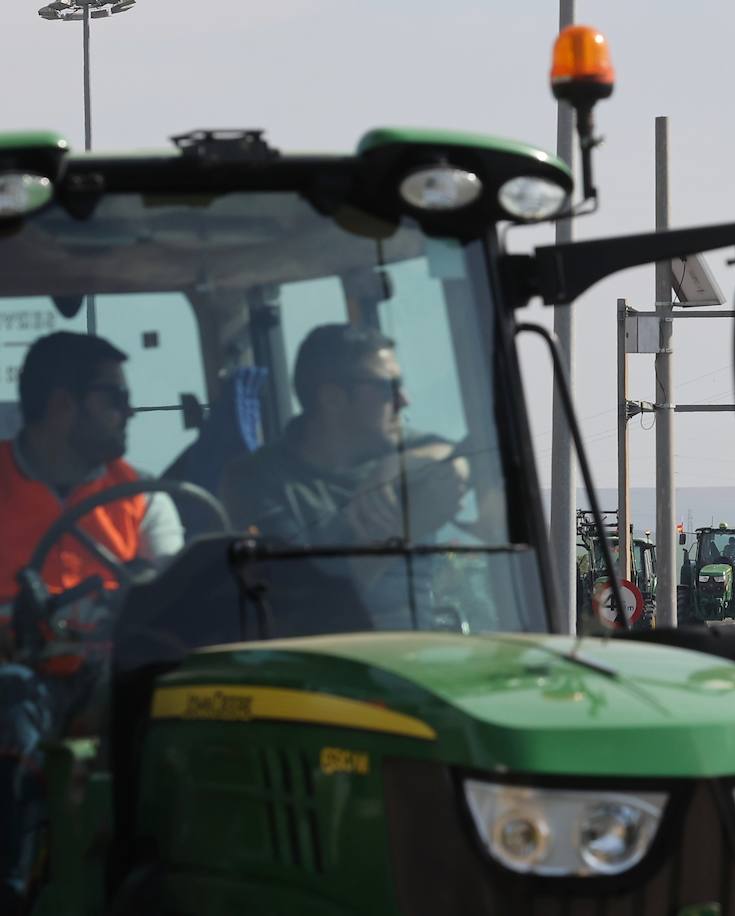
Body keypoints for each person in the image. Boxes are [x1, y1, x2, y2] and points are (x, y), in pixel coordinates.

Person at [0, 332, 184, 912]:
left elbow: (175, 588)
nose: (129, 413)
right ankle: (18, 880)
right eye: (115, 399)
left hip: (113, 676)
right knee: (12, 699)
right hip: (17, 677)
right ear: (62, 406)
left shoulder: (144, 497)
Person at [221, 325, 471, 626]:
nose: (404, 400)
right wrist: (392, 532)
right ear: (332, 398)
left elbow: (462, 456)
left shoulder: (404, 450)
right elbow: (306, 607)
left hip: (422, 647)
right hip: (328, 656)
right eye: (388, 387)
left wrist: (395, 467)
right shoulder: (256, 480)